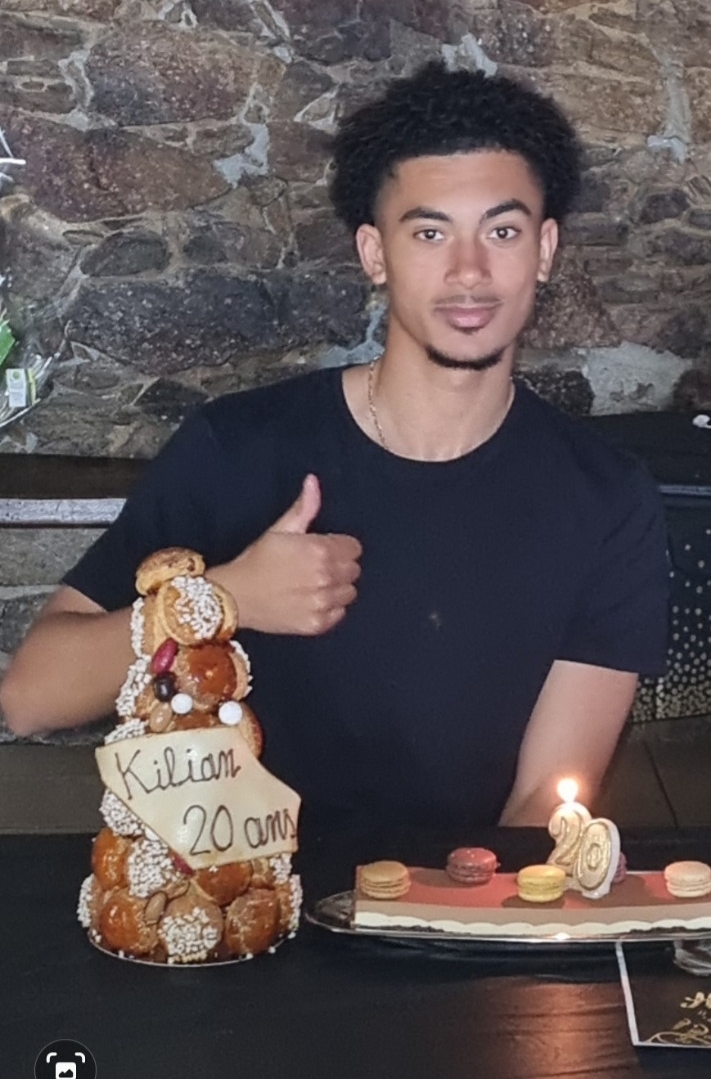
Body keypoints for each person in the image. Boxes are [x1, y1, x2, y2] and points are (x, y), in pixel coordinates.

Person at [0, 61, 668, 829]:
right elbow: (30, 698)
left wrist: (447, 905)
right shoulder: (237, 448)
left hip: (458, 895)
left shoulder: (605, 499)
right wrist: (224, 598)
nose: (469, 272)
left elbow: (542, 802)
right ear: (374, 254)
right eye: (429, 233)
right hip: (244, 893)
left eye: (502, 231)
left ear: (544, 250)